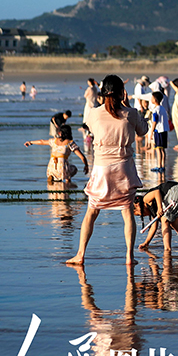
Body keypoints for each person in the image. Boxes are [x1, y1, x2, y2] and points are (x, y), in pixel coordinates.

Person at [67, 75, 148, 266]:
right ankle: (129, 256)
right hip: (124, 169)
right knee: (127, 212)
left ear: (102, 93)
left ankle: (80, 254)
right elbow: (143, 131)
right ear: (122, 93)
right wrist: (128, 107)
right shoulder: (131, 113)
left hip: (102, 168)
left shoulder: (94, 114)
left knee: (92, 212)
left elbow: (92, 128)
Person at [136, 180, 178, 252]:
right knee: (176, 224)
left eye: (140, 214)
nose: (144, 215)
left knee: (165, 221)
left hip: (177, 191)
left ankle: (167, 250)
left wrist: (160, 208)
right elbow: (153, 228)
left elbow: (156, 192)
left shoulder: (145, 199)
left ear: (137, 205)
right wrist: (146, 243)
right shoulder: (152, 211)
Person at [148, 90, 170, 173]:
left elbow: (154, 121)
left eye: (152, 98)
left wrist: (151, 132)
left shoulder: (155, 110)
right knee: (163, 149)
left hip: (158, 131)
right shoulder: (162, 108)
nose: (151, 99)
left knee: (158, 149)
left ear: (155, 99)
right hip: (164, 130)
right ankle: (163, 166)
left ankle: (159, 165)